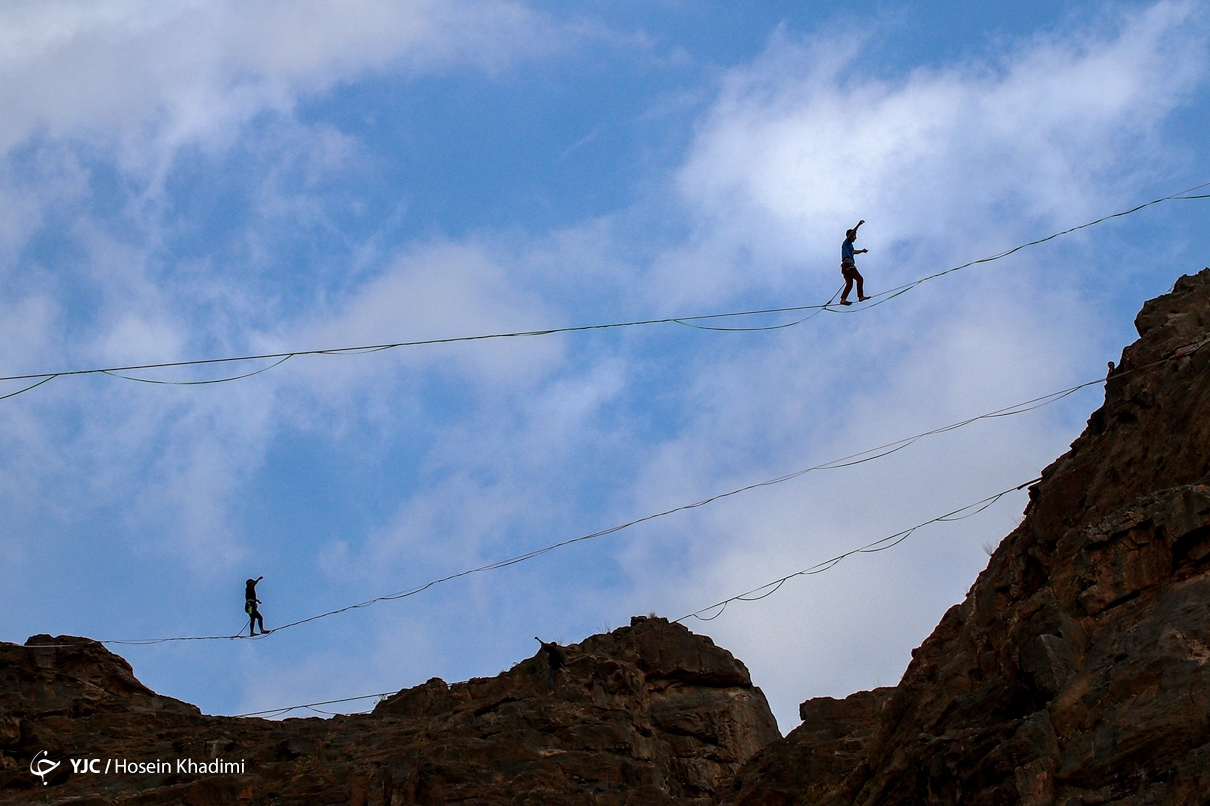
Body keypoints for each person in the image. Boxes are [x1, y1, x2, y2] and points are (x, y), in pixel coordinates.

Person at [839, 220, 870, 306]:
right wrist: (858, 225)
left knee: (849, 284)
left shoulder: (849, 246)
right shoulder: (846, 242)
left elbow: (854, 252)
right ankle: (860, 296)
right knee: (859, 279)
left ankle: (843, 299)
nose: (855, 237)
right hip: (848, 265)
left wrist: (862, 251)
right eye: (855, 236)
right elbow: (852, 233)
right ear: (851, 235)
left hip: (845, 267)